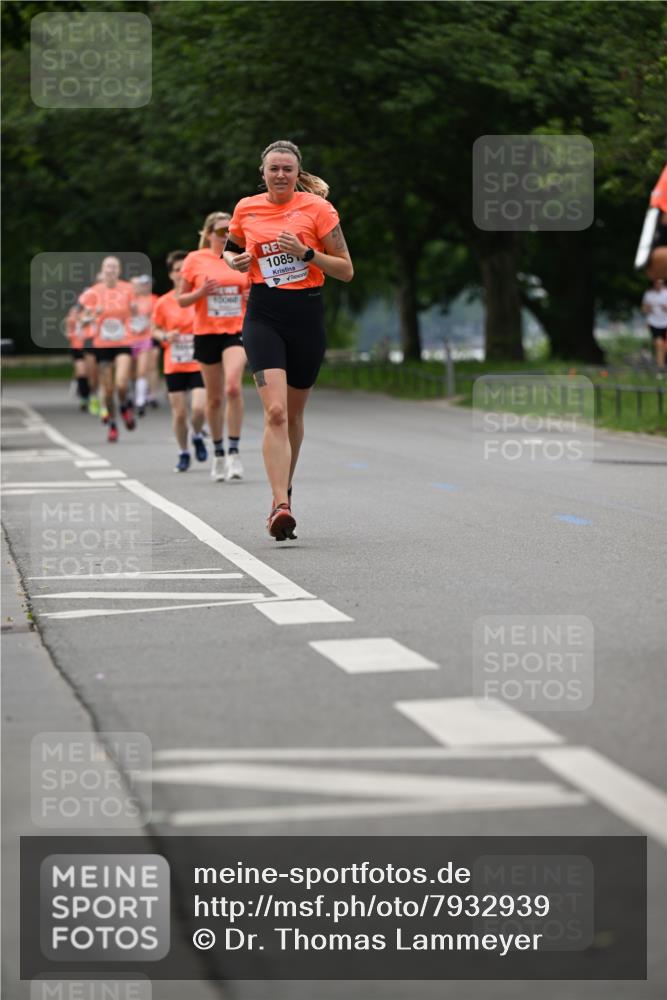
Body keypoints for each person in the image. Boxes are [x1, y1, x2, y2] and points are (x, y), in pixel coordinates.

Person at [223, 139, 353, 540]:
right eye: (273, 168)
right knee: (275, 412)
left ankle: (285, 490)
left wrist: (306, 254)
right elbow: (230, 250)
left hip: (307, 316)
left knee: (294, 416)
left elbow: (346, 270)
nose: (280, 175)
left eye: (287, 169)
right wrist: (236, 261)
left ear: (298, 175)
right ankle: (279, 506)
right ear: (262, 172)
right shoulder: (246, 208)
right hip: (264, 314)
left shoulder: (319, 210)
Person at [178, 212, 250, 482]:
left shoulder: (242, 254)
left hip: (236, 330)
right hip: (206, 332)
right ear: (208, 234)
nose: (226, 236)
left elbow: (257, 289)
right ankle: (218, 452)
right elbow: (181, 300)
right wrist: (200, 294)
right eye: (221, 231)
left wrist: (250, 295)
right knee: (214, 397)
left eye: (230, 231)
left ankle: (234, 451)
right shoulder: (195, 260)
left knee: (233, 387)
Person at [153, 250, 208, 472]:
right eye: (177, 270)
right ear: (171, 275)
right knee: (180, 413)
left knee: (198, 410)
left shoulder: (200, 296)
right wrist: (165, 336)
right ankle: (184, 451)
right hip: (174, 363)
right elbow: (154, 329)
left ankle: (196, 434)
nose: (181, 273)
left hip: (198, 361)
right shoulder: (164, 302)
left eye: (185, 269)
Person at [80, 256, 136, 442]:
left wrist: (135, 313)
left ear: (119, 271)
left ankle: (125, 406)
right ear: (102, 271)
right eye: (107, 267)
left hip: (123, 342)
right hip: (102, 345)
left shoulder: (127, 289)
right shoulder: (94, 292)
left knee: (121, 383)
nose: (110, 270)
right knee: (108, 390)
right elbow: (83, 318)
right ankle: (113, 423)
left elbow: (137, 312)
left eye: (114, 267)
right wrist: (92, 315)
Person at [130, 275, 158, 415]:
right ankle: (135, 393)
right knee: (132, 372)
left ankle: (141, 401)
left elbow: (155, 318)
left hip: (145, 338)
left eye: (140, 285)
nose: (138, 287)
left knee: (143, 369)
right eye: (135, 285)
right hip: (129, 340)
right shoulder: (127, 300)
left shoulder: (151, 300)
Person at [64, 304, 90, 411]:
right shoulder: (73, 313)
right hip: (77, 348)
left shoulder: (91, 312)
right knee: (81, 372)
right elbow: (68, 334)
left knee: (92, 375)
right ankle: (84, 398)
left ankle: (92, 394)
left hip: (90, 348)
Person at [641, 277, 667, 369]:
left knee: (664, 346)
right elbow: (643, 309)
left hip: (665, 323)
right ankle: (660, 367)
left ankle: (661, 363)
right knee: (658, 344)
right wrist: (647, 309)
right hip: (654, 323)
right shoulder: (649, 294)